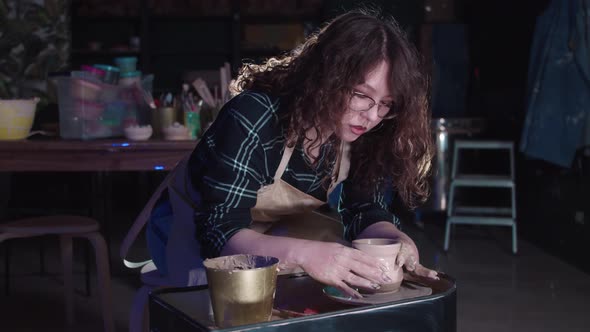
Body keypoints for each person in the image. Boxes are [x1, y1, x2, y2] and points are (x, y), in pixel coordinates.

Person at [147, 9, 438, 298]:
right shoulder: (255, 116)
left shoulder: (363, 132)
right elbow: (218, 231)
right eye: (361, 95)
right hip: (190, 235)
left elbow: (364, 209)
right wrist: (306, 255)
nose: (372, 116)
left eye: (386, 103)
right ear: (328, 76)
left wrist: (395, 238)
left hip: (267, 234)